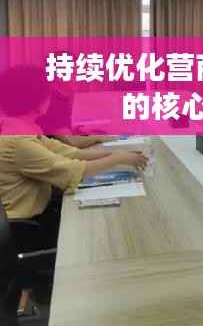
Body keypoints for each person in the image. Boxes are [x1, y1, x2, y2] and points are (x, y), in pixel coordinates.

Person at [0, 66, 148, 248]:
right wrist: (117, 158)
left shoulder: (21, 129)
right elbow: (72, 171)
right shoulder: (19, 142)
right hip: (24, 231)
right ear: (37, 101)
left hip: (38, 213)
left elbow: (71, 153)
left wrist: (118, 153)